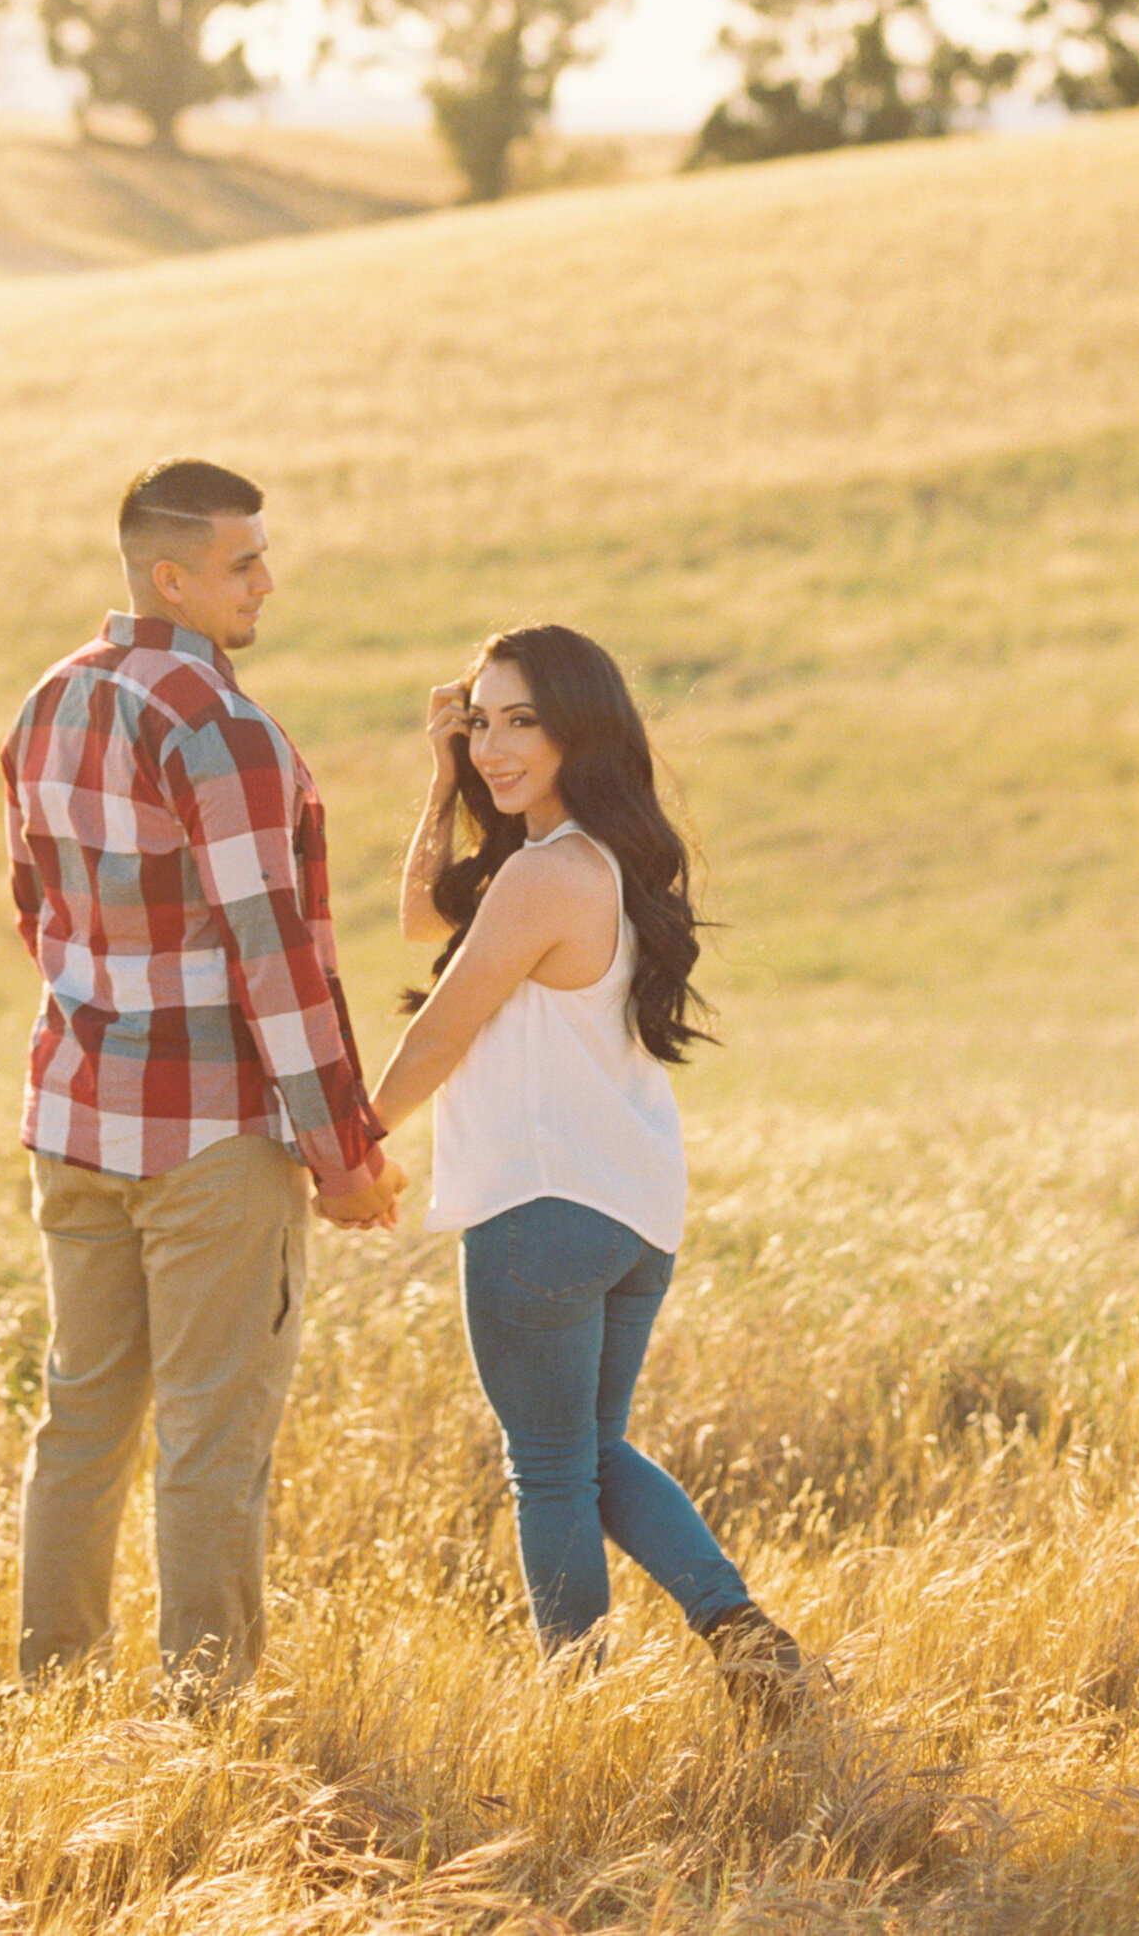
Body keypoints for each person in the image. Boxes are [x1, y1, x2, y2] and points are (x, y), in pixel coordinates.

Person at [3, 457, 406, 1694]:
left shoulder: (50, 702)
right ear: (171, 576)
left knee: (81, 1421)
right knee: (211, 1443)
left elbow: (36, 911)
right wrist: (342, 1151)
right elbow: (276, 958)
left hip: (75, 1119)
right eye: (243, 563)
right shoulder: (216, 726)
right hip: (208, 1145)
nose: (265, 583)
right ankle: (207, 1714)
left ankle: (55, 1689)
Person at [369, 623, 812, 1715]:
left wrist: (349, 1142)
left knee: (550, 1469)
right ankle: (740, 1632)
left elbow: (439, 1036)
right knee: (591, 1451)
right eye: (481, 722)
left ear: (580, 729)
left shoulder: (541, 876)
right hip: (629, 1206)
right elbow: (421, 911)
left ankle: (578, 1703)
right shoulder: (597, 863)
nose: (493, 745)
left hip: (538, 1206)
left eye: (523, 720)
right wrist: (442, 780)